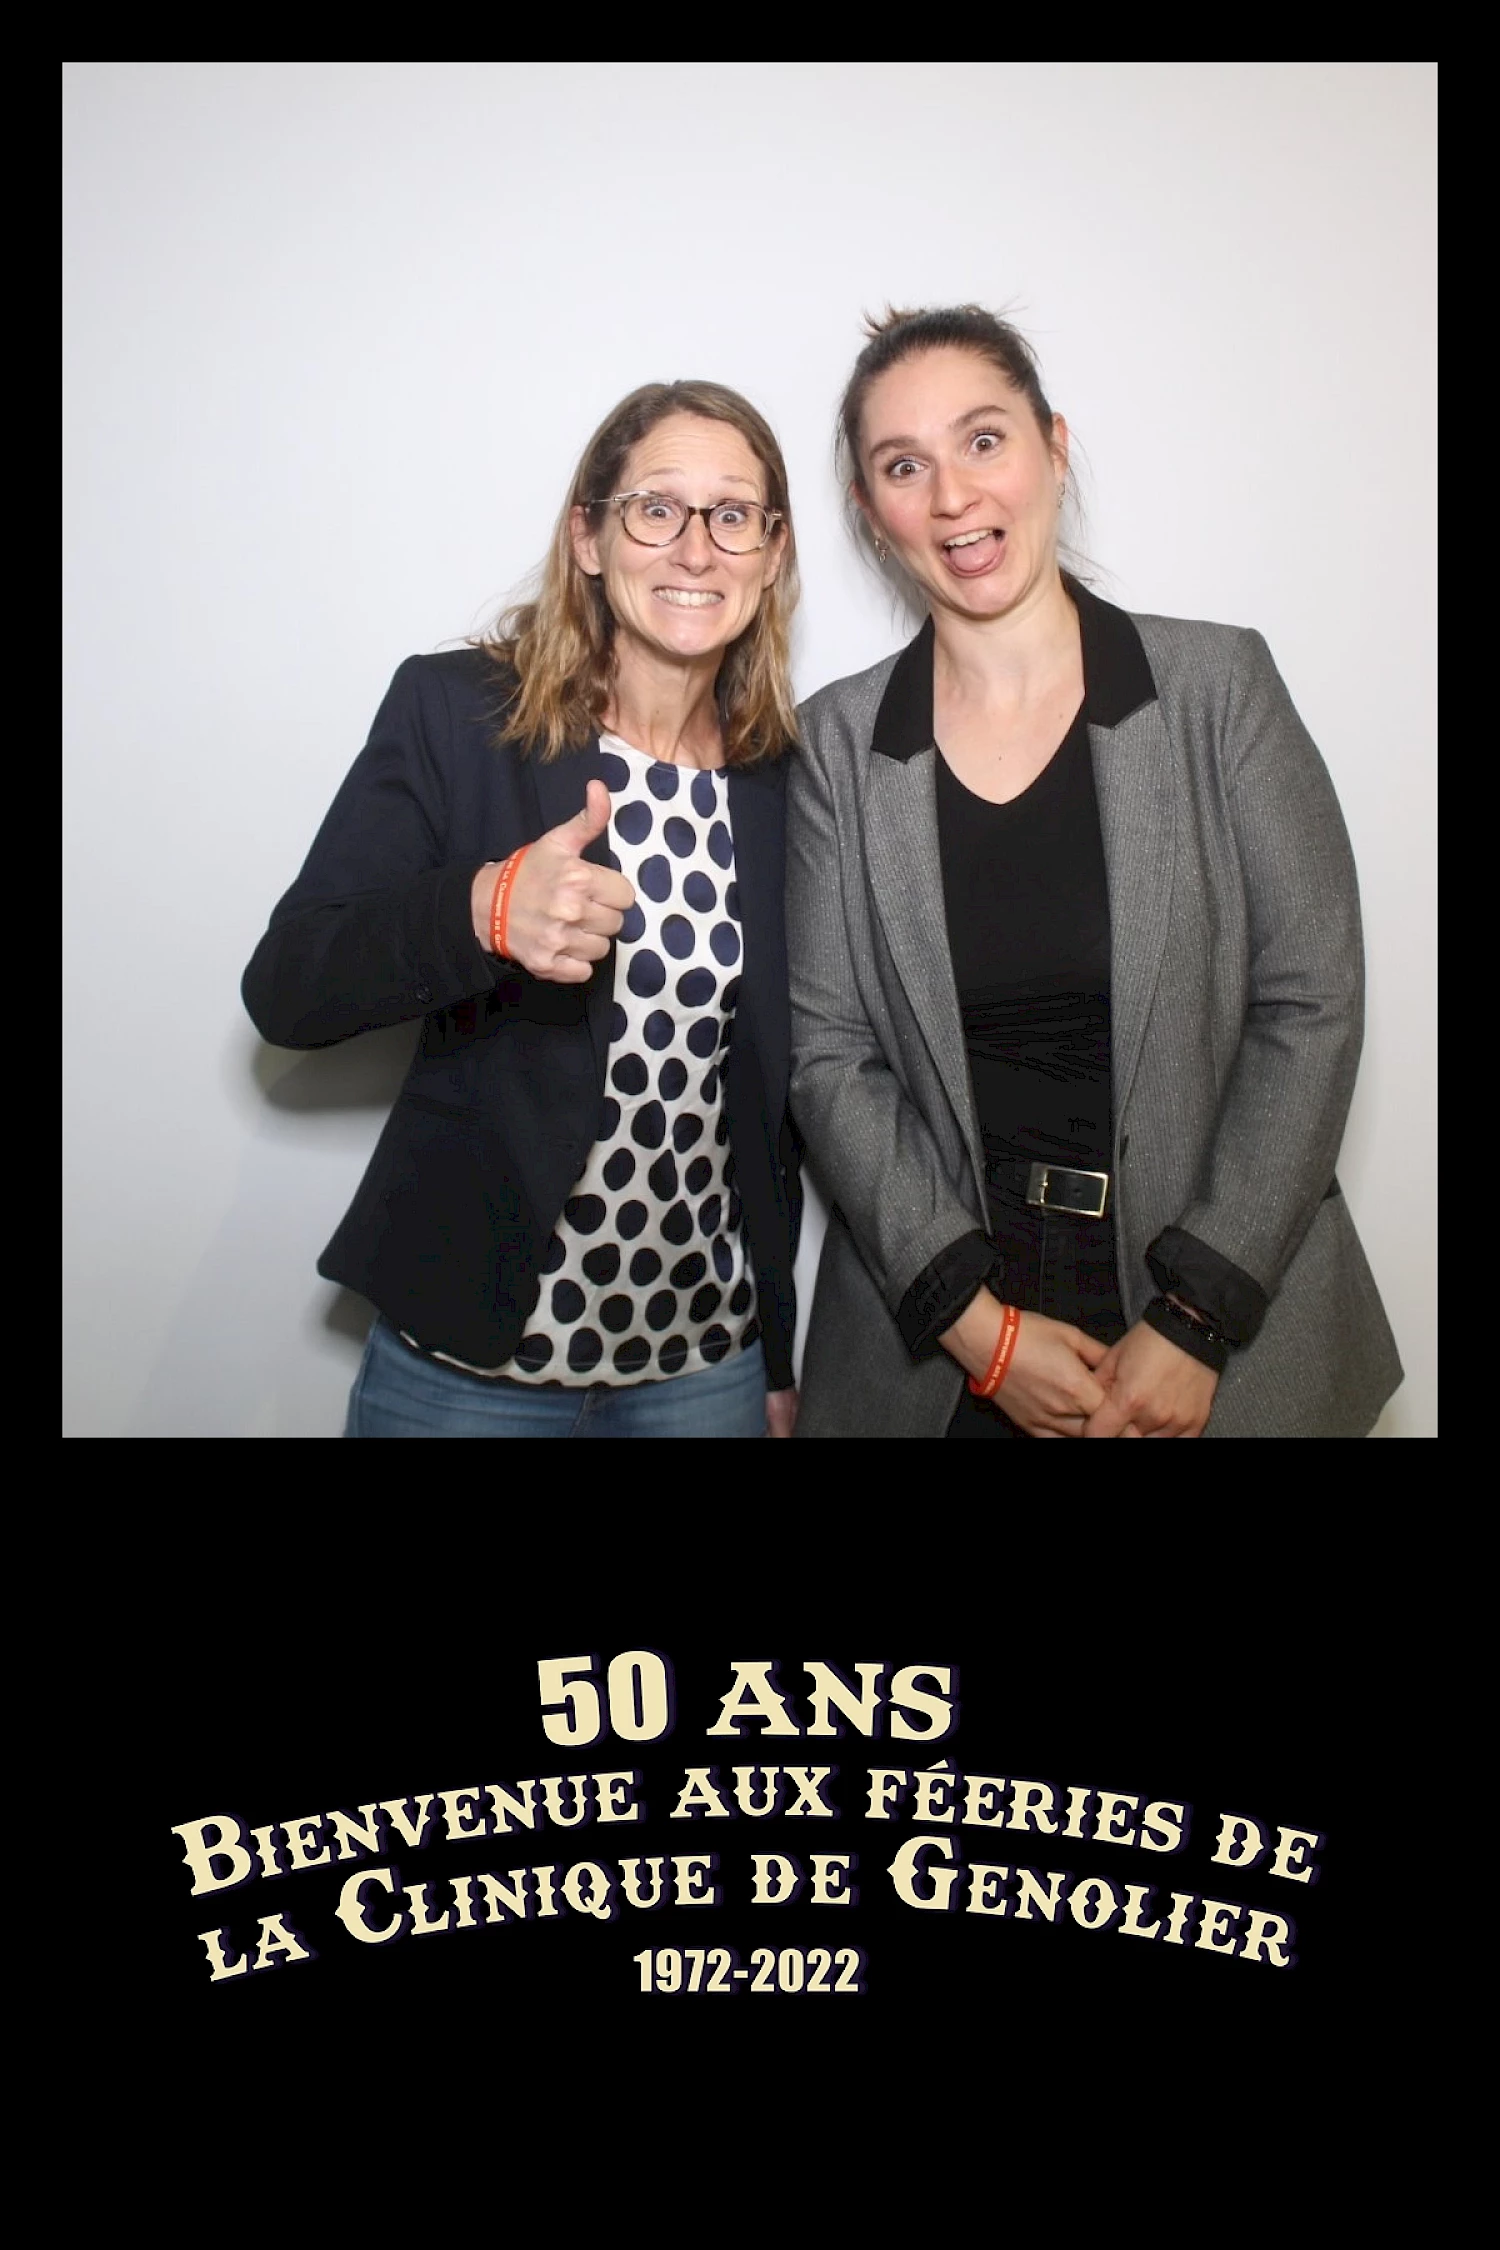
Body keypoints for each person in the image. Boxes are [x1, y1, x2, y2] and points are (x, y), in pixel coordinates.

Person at [787, 306, 1401, 1438]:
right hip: (952, 1356)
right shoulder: (834, 745)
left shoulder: (1220, 689)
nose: (954, 496)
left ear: (1054, 448)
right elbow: (827, 1055)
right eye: (905, 466)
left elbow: (1313, 1001)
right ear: (872, 511)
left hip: (1218, 1342)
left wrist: (1198, 1317)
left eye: (984, 440)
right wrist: (979, 1331)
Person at [243, 380, 802, 1437]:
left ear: (771, 554)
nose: (696, 549)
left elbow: (765, 1109)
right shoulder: (459, 713)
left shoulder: (780, 783)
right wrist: (482, 911)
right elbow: (287, 990)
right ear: (588, 536)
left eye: (733, 515)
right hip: (469, 1374)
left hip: (702, 1368)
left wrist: (774, 1350)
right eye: (656, 508)